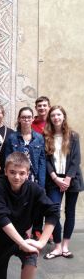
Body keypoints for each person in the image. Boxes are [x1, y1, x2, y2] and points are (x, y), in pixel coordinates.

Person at [43, 106, 84, 260]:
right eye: (53, 115)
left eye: (58, 114)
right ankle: (57, 246)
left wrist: (67, 179)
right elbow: (46, 159)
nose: (56, 117)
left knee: (70, 212)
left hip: (71, 179)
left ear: (63, 116)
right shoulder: (46, 136)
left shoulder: (73, 136)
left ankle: (66, 246)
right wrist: (55, 178)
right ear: (50, 118)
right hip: (54, 179)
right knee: (53, 211)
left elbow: (75, 160)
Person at [5, 107, 46, 189]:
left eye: (29, 117)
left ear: (32, 119)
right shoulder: (12, 138)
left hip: (33, 178)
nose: (26, 119)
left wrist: (41, 184)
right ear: (19, 119)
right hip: (17, 178)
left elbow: (42, 162)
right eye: (23, 117)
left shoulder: (39, 138)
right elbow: (7, 160)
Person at [31, 96, 52, 241]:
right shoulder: (32, 124)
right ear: (36, 108)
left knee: (51, 200)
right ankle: (37, 229)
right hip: (39, 165)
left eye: (44, 105)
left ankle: (49, 230)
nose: (42, 108)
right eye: (39, 106)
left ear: (49, 107)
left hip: (54, 166)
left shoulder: (55, 122)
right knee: (38, 199)